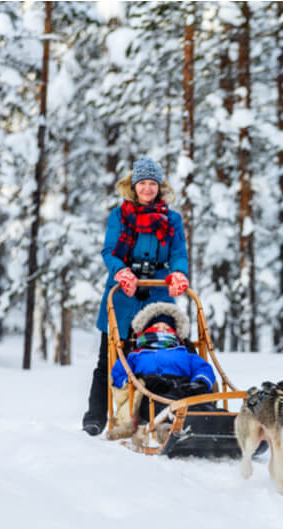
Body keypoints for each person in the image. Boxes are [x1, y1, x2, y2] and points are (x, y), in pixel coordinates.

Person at [82, 157, 190, 436]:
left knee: (163, 353)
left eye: (152, 183)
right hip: (122, 296)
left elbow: (178, 253)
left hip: (158, 292)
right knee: (110, 356)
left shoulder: (172, 219)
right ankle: (96, 416)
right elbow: (110, 252)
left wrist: (178, 273)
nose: (147, 188)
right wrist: (122, 272)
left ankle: (163, 411)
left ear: (160, 187)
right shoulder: (120, 216)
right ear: (133, 186)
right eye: (142, 183)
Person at [107, 302, 216, 441]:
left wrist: (200, 382)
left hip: (184, 388)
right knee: (164, 407)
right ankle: (170, 429)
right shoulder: (135, 355)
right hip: (152, 392)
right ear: (146, 331)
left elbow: (203, 368)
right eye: (156, 327)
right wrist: (141, 380)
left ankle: (226, 424)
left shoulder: (184, 352)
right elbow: (118, 375)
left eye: (166, 328)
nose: (161, 330)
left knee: (201, 405)